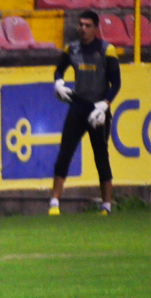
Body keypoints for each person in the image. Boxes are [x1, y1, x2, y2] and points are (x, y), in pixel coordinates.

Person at [50, 9, 121, 216]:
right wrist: (58, 83)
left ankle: (106, 205)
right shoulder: (71, 49)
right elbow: (59, 69)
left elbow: (116, 83)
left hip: (98, 109)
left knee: (101, 156)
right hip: (78, 106)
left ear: (96, 28)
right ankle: (54, 201)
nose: (82, 28)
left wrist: (105, 104)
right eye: (80, 24)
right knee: (65, 153)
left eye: (87, 25)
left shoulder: (106, 50)